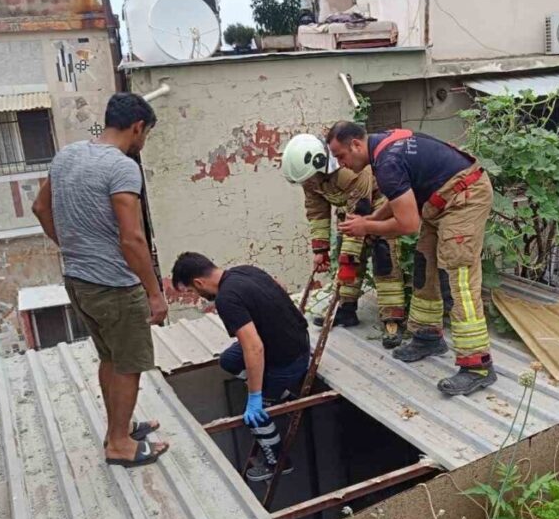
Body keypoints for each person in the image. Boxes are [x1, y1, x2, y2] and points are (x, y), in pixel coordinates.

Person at [32, 92, 169, 468]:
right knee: (129, 363)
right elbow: (132, 238)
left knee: (110, 357)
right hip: (115, 286)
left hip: (78, 281)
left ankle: (117, 430)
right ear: (137, 127)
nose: (143, 142)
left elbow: (40, 208)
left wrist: (72, 247)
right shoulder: (123, 168)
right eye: (146, 134)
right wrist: (155, 293)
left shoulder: (67, 155)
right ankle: (120, 445)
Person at [328, 122, 496, 396]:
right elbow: (399, 197)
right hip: (440, 202)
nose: (340, 164)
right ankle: (428, 337)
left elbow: (408, 225)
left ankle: (477, 366)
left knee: (459, 278)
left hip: (464, 198)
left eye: (341, 156)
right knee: (424, 265)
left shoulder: (387, 163)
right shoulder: (383, 149)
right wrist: (372, 219)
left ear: (356, 145)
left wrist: (366, 226)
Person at [170, 252, 310, 483]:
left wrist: (255, 396)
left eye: (193, 291)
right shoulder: (246, 270)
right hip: (296, 340)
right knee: (229, 360)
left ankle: (278, 462)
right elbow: (280, 287)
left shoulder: (226, 299)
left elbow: (254, 347)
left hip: (288, 361)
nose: (197, 295)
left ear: (198, 282)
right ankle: (281, 394)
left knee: (255, 416)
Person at [281, 133, 407, 348]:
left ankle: (392, 320)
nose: (308, 183)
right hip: (350, 213)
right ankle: (346, 310)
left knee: (384, 261)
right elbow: (317, 211)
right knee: (347, 262)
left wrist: (349, 255)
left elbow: (360, 210)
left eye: (309, 179)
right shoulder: (310, 177)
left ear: (319, 163)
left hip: (378, 208)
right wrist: (320, 249)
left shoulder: (349, 172)